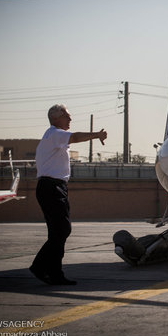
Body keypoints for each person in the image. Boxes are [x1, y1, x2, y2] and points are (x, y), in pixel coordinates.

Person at [29, 104, 107, 285]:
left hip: (52, 187)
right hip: (51, 187)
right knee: (62, 230)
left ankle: (55, 273)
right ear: (56, 118)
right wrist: (96, 134)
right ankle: (40, 266)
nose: (70, 119)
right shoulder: (55, 134)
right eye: (67, 116)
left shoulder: (53, 136)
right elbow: (76, 137)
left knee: (58, 232)